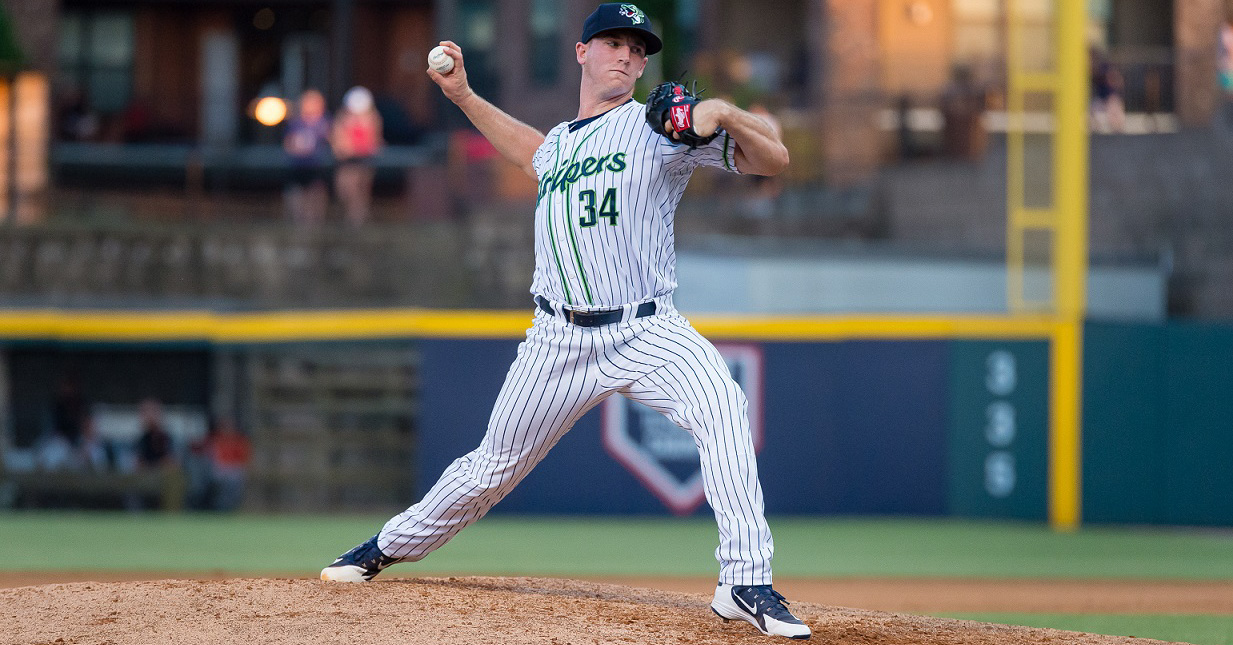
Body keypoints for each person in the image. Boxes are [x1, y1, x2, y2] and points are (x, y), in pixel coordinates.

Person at [320, 4, 808, 640]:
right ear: (581, 52)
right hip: (556, 340)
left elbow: (775, 159)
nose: (627, 56)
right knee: (489, 467)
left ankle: (745, 582)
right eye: (612, 42)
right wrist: (464, 95)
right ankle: (384, 547)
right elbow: (535, 154)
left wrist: (720, 113)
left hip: (647, 329)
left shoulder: (661, 127)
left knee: (723, 407)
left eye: (638, 48)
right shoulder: (564, 144)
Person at [331, 86, 384, 225]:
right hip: (347, 162)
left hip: (364, 161)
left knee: (361, 192)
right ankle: (347, 219)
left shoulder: (373, 118)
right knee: (345, 191)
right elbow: (338, 142)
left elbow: (376, 141)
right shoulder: (342, 119)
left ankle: (357, 221)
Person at [283, 89, 333, 224]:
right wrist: (296, 149)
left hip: (316, 165)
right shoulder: (296, 122)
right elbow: (288, 143)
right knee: (295, 195)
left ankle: (315, 222)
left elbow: (333, 140)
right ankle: (297, 221)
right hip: (298, 165)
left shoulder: (325, 122)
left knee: (316, 194)